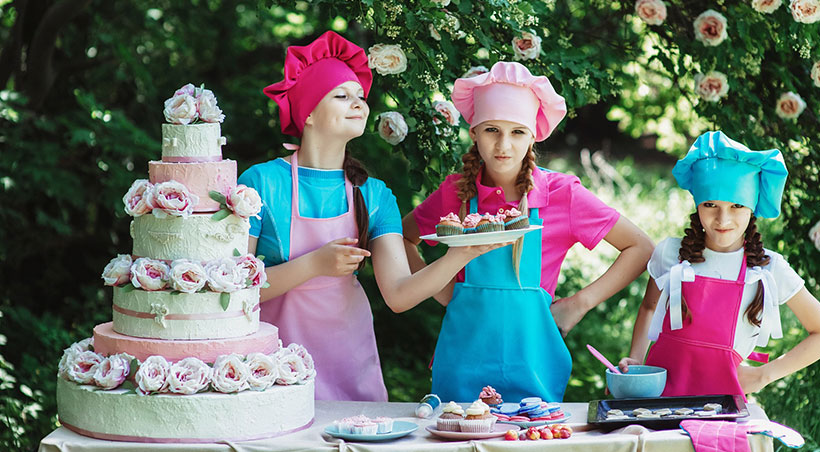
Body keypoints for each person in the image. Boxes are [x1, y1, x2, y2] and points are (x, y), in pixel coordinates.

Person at [240, 32, 503, 401]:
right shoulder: (260, 184)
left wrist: (461, 254)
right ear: (308, 113)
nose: (359, 104)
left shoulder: (375, 195)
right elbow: (233, 292)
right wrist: (316, 263)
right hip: (273, 366)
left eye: (361, 97)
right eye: (342, 96)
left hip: (348, 358)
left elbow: (398, 295)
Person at [403, 61, 654, 403]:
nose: (503, 145)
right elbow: (403, 237)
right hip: (461, 366)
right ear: (474, 132)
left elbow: (640, 247)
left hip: (535, 368)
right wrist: (439, 287)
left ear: (534, 135)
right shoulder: (455, 194)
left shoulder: (562, 195)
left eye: (517, 132)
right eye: (491, 130)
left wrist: (579, 303)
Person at [617, 131, 820, 398]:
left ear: (752, 208)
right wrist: (637, 362)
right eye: (710, 205)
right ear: (697, 205)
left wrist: (762, 375)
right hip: (657, 399)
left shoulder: (769, 270)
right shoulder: (669, 253)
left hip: (721, 407)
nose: (723, 219)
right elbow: (649, 306)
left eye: (736, 206)